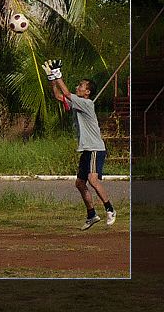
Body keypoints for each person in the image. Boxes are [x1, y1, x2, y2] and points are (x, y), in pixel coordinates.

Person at [43, 59, 117, 230]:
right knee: (80, 183)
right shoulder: (77, 102)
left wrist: (58, 74)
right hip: (86, 149)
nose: (78, 87)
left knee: (92, 179)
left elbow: (67, 93)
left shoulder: (86, 103)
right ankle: (92, 215)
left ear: (87, 92)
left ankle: (110, 209)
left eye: (81, 86)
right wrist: (52, 78)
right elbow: (58, 96)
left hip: (95, 148)